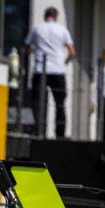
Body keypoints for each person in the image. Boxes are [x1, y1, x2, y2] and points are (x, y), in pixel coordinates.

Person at [24, 6, 75, 139]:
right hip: (58, 70)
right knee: (60, 104)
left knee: (39, 103)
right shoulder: (63, 30)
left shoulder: (37, 28)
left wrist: (32, 51)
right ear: (56, 16)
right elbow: (72, 52)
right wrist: (64, 62)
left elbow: (27, 47)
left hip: (41, 70)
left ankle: (40, 131)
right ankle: (60, 134)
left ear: (45, 16)